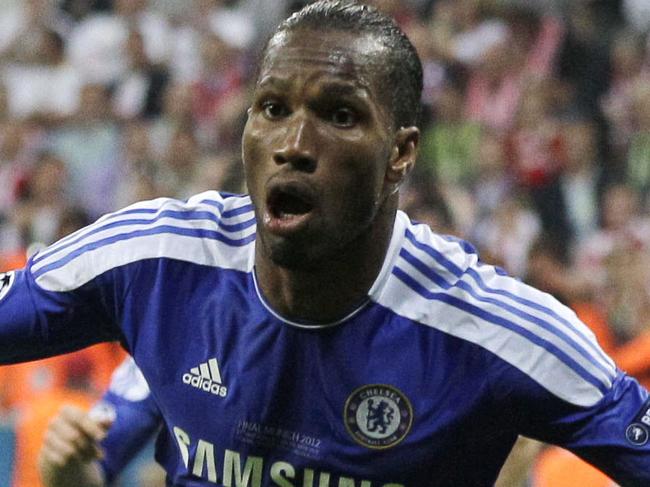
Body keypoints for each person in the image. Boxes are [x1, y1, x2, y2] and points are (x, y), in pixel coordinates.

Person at [0, 1, 649, 485]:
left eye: (340, 115)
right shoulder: (156, 264)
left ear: (400, 154)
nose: (294, 146)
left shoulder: (497, 331)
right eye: (273, 108)